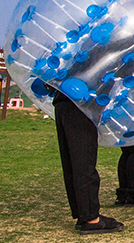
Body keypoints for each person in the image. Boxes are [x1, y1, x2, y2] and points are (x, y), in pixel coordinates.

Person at [51, 90, 124, 234]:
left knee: (72, 161)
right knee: (83, 159)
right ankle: (91, 219)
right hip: (81, 101)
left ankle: (83, 214)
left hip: (64, 99)